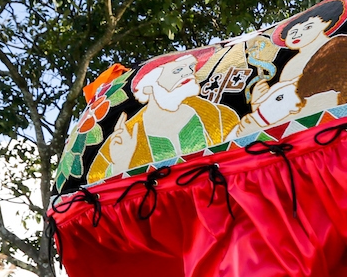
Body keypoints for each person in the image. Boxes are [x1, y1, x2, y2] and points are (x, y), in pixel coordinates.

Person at [90, 52, 240, 181]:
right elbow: (93, 195)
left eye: (190, 68)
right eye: (177, 70)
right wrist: (120, 164)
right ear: (148, 86)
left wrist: (260, 117)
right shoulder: (119, 141)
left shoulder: (220, 115)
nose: (187, 73)